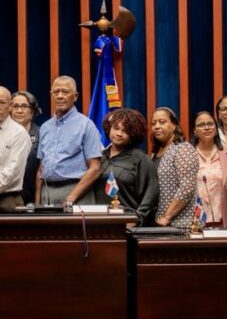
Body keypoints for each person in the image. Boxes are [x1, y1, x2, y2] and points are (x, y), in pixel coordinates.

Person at [36, 76, 103, 207]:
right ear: (51, 95)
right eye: (56, 92)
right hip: (47, 192)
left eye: (65, 92)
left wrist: (71, 198)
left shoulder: (86, 125)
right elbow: (41, 169)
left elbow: (95, 168)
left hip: (76, 192)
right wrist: (37, 202)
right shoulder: (45, 127)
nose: (60, 96)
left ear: (75, 96)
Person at [92, 108, 159, 224]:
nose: (119, 134)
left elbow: (151, 195)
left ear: (133, 134)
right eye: (116, 128)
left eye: (125, 131)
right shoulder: (98, 157)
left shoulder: (141, 159)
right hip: (97, 222)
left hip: (127, 224)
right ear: (109, 128)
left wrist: (136, 220)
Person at [150, 107, 199, 228]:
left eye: (162, 122)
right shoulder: (155, 153)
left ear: (174, 126)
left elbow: (187, 187)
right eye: (153, 123)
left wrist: (167, 216)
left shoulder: (183, 149)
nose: (156, 126)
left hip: (180, 223)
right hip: (158, 222)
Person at [191, 110, 227, 227]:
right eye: (201, 125)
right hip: (194, 223)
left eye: (210, 124)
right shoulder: (188, 155)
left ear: (216, 129)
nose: (206, 128)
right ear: (194, 131)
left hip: (223, 222)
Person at [10, 90, 42, 205]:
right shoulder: (3, 134)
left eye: (24, 106)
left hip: (34, 197)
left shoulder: (40, 133)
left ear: (32, 111)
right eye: (15, 106)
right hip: (8, 199)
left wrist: (38, 202)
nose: (19, 110)